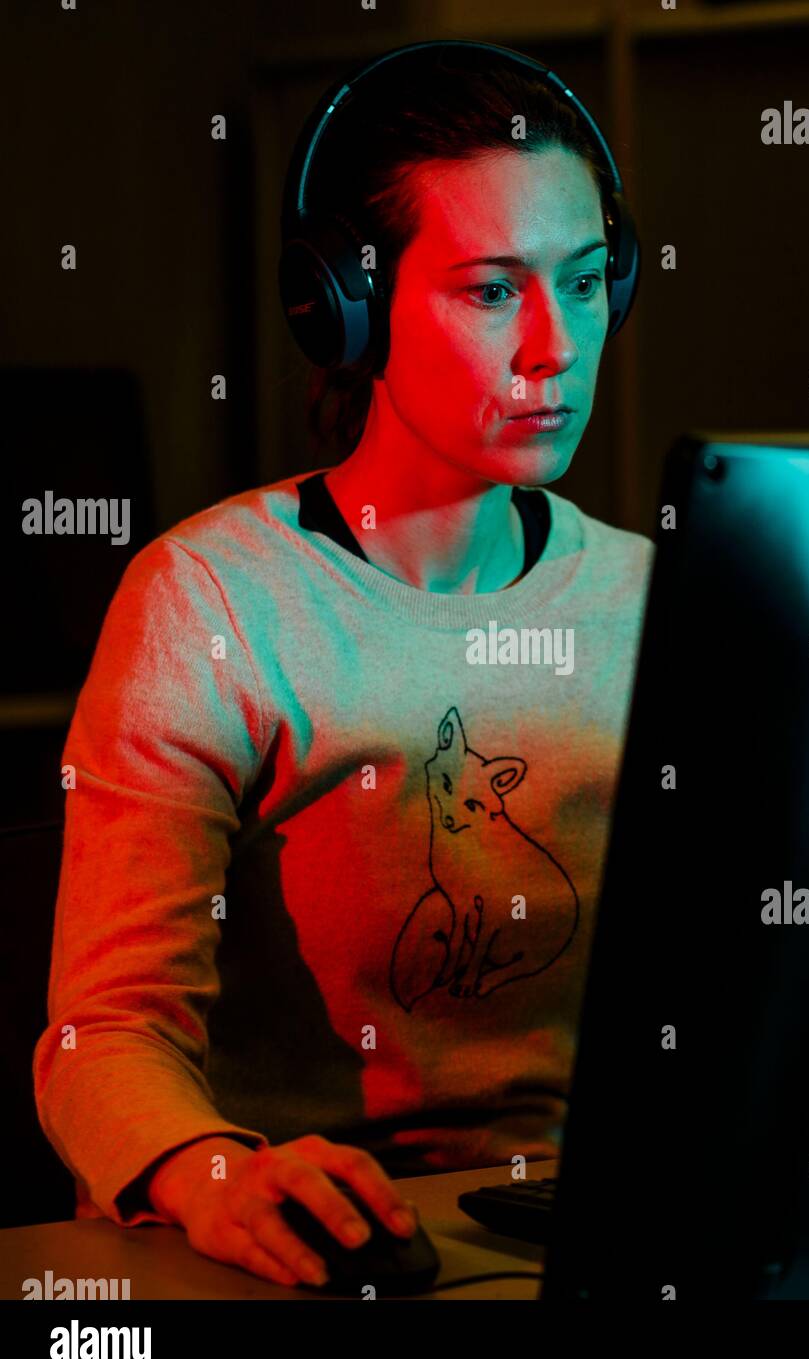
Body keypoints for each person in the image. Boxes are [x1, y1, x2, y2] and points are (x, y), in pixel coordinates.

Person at [33, 50, 653, 1291]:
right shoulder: (208, 601)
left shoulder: (654, 595)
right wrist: (216, 1174)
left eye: (584, 284)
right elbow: (103, 1035)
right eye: (492, 292)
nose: (555, 347)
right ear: (343, 307)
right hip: (313, 1243)